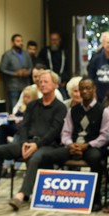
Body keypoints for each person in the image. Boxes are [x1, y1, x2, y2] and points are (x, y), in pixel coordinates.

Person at [0, 70, 67, 212]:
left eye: (46, 81)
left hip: (47, 145)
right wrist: (23, 143)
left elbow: (54, 132)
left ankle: (21, 195)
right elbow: (24, 126)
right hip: (26, 143)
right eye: (40, 82)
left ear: (55, 85)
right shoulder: (32, 105)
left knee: (35, 158)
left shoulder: (60, 107)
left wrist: (36, 145)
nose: (42, 84)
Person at [43, 77, 109, 212]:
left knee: (96, 159)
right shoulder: (72, 110)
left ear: (94, 89)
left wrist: (88, 145)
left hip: (92, 147)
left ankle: (96, 200)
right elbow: (65, 133)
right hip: (73, 146)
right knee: (47, 157)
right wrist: (70, 144)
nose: (84, 91)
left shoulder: (104, 111)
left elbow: (105, 136)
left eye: (88, 88)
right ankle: (51, 196)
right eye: (81, 89)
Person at [0, 34, 33, 112]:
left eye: (21, 41)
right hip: (13, 86)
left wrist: (28, 72)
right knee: (14, 109)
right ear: (12, 42)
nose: (20, 43)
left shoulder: (26, 54)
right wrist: (15, 73)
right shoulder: (8, 54)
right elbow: (2, 69)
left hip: (25, 86)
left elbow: (31, 67)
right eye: (18, 41)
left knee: (27, 108)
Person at [38, 32, 70, 99]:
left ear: (59, 40)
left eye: (56, 39)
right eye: (52, 39)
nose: (54, 42)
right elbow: (40, 66)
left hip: (61, 82)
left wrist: (64, 79)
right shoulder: (44, 51)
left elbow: (67, 68)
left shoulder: (64, 52)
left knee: (63, 99)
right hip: (47, 82)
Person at [88, 31, 109, 103]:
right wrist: (93, 93)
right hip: (98, 95)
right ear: (103, 43)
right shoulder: (95, 58)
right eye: (107, 42)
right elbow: (90, 77)